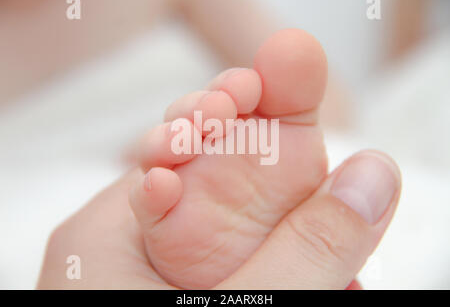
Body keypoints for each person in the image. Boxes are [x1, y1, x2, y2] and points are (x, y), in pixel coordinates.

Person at [37, 29, 401, 289]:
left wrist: (298, 126)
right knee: (164, 164)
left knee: (184, 144)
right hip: (99, 176)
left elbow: (318, 87)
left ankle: (233, 203)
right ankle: (203, 238)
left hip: (178, 154)